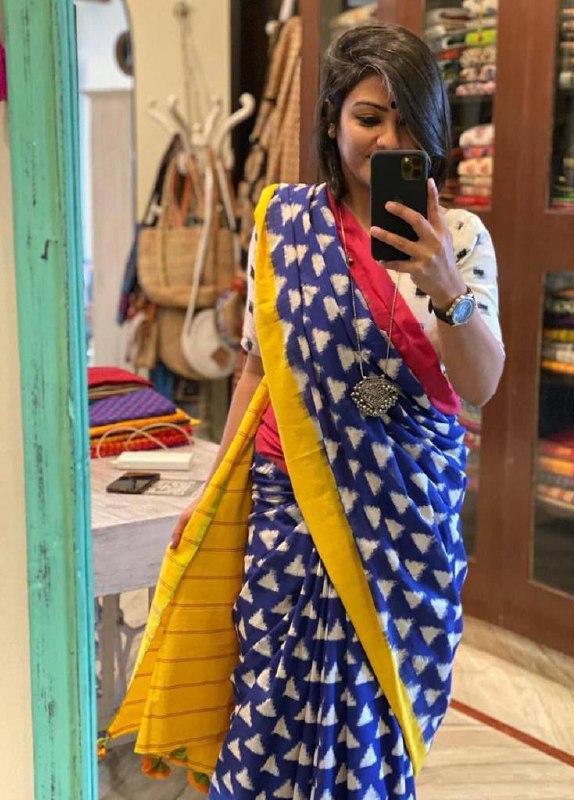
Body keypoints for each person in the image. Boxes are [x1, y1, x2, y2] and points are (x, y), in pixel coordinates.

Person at [108, 21, 504, 800]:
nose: (389, 139)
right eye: (369, 117)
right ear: (331, 118)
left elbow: (481, 386)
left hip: (404, 522)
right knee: (268, 697)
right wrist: (210, 494)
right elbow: (260, 367)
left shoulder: (458, 235)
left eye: (409, 121)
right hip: (289, 507)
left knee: (370, 716)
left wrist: (448, 288)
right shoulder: (284, 225)